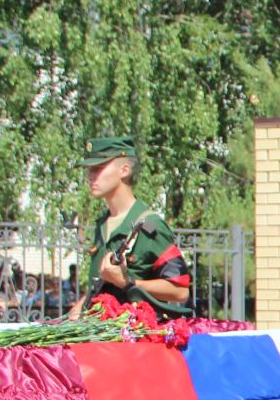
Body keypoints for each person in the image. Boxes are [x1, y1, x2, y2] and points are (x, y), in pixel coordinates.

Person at [70, 135, 194, 318]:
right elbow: (101, 284)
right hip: (102, 336)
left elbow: (180, 290)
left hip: (134, 338)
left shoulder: (149, 225)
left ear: (124, 170)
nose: (90, 176)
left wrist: (127, 282)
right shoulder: (102, 225)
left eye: (98, 168)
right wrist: (79, 308)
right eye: (89, 169)